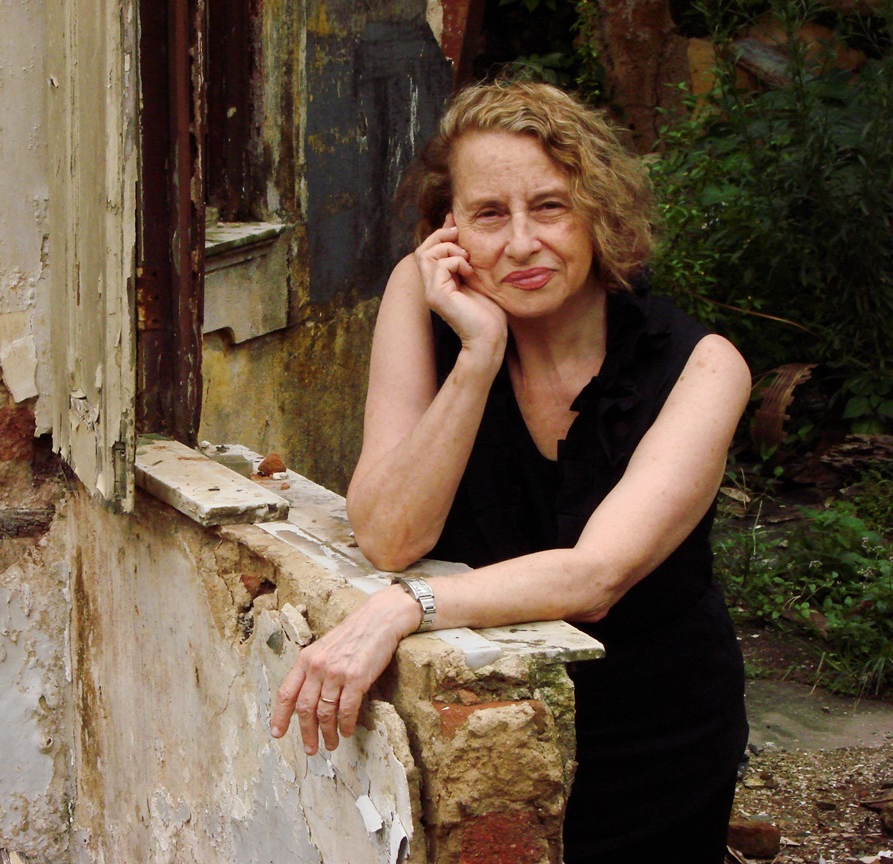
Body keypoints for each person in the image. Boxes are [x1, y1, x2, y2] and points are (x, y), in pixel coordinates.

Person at [269, 78, 750, 864]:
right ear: (449, 228)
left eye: (550, 206)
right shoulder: (423, 300)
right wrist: (479, 356)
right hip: (478, 727)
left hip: (656, 730)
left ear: (599, 212)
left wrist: (404, 608)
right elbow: (390, 534)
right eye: (490, 214)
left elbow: (597, 576)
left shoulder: (703, 367)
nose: (522, 243)